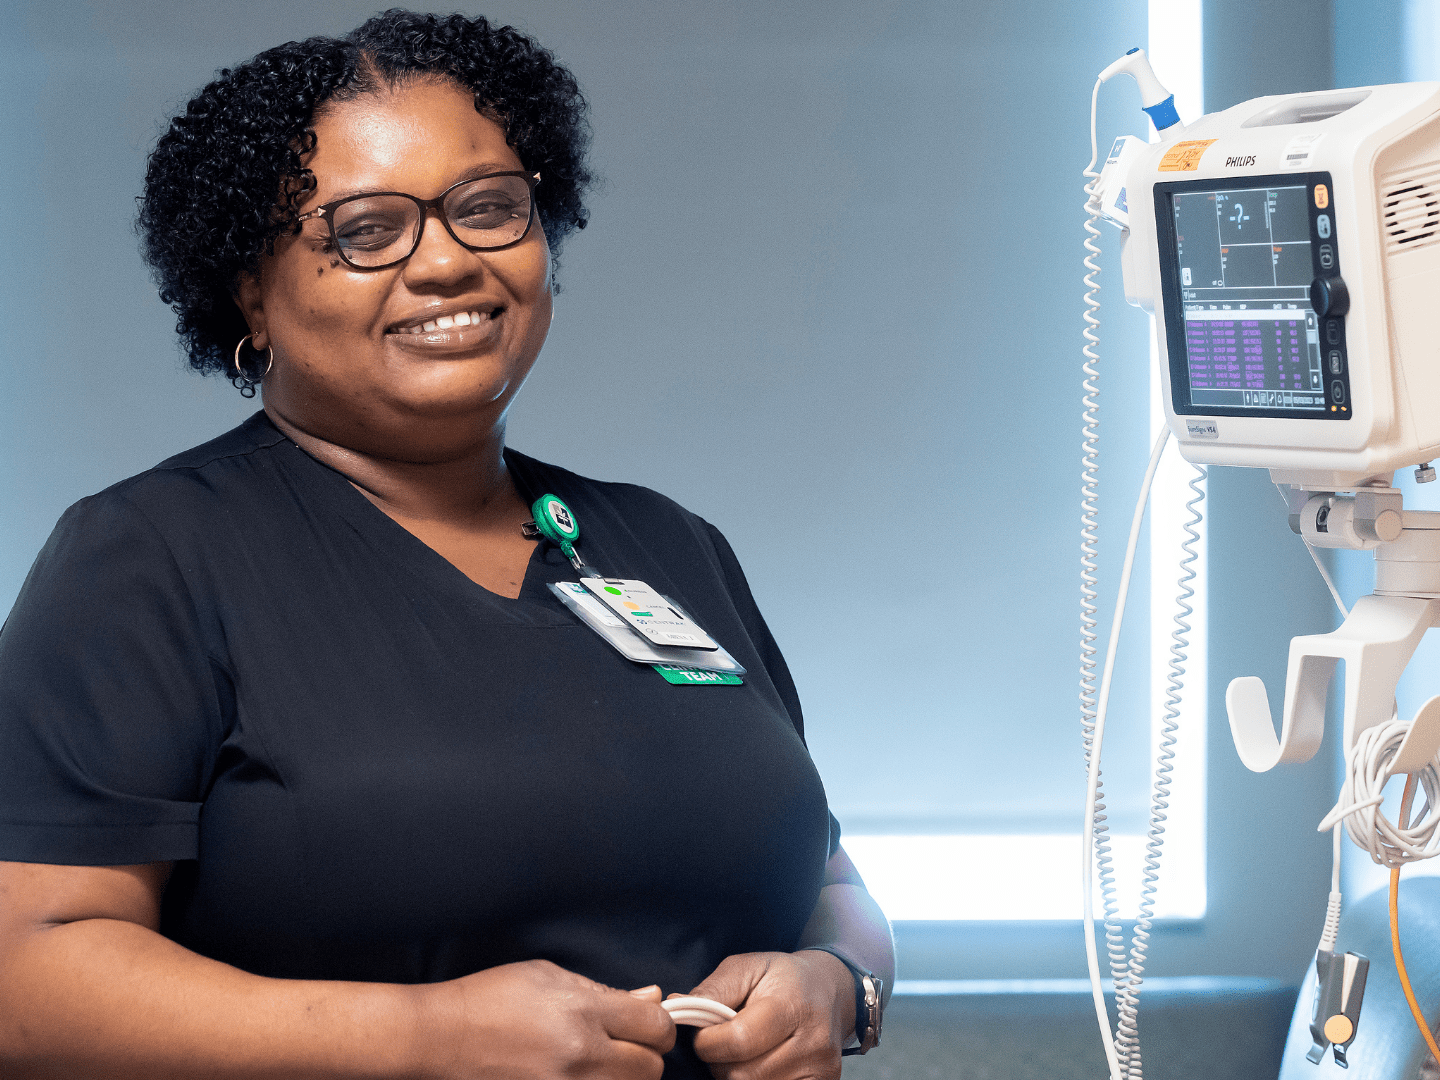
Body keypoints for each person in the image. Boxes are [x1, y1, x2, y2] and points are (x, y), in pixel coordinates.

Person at [0, 9, 893, 1080]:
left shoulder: (667, 544)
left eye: (488, 209)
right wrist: (424, 1039)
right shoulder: (148, 559)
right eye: (367, 229)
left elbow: (829, 876)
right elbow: (24, 981)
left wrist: (840, 980)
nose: (448, 264)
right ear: (252, 294)